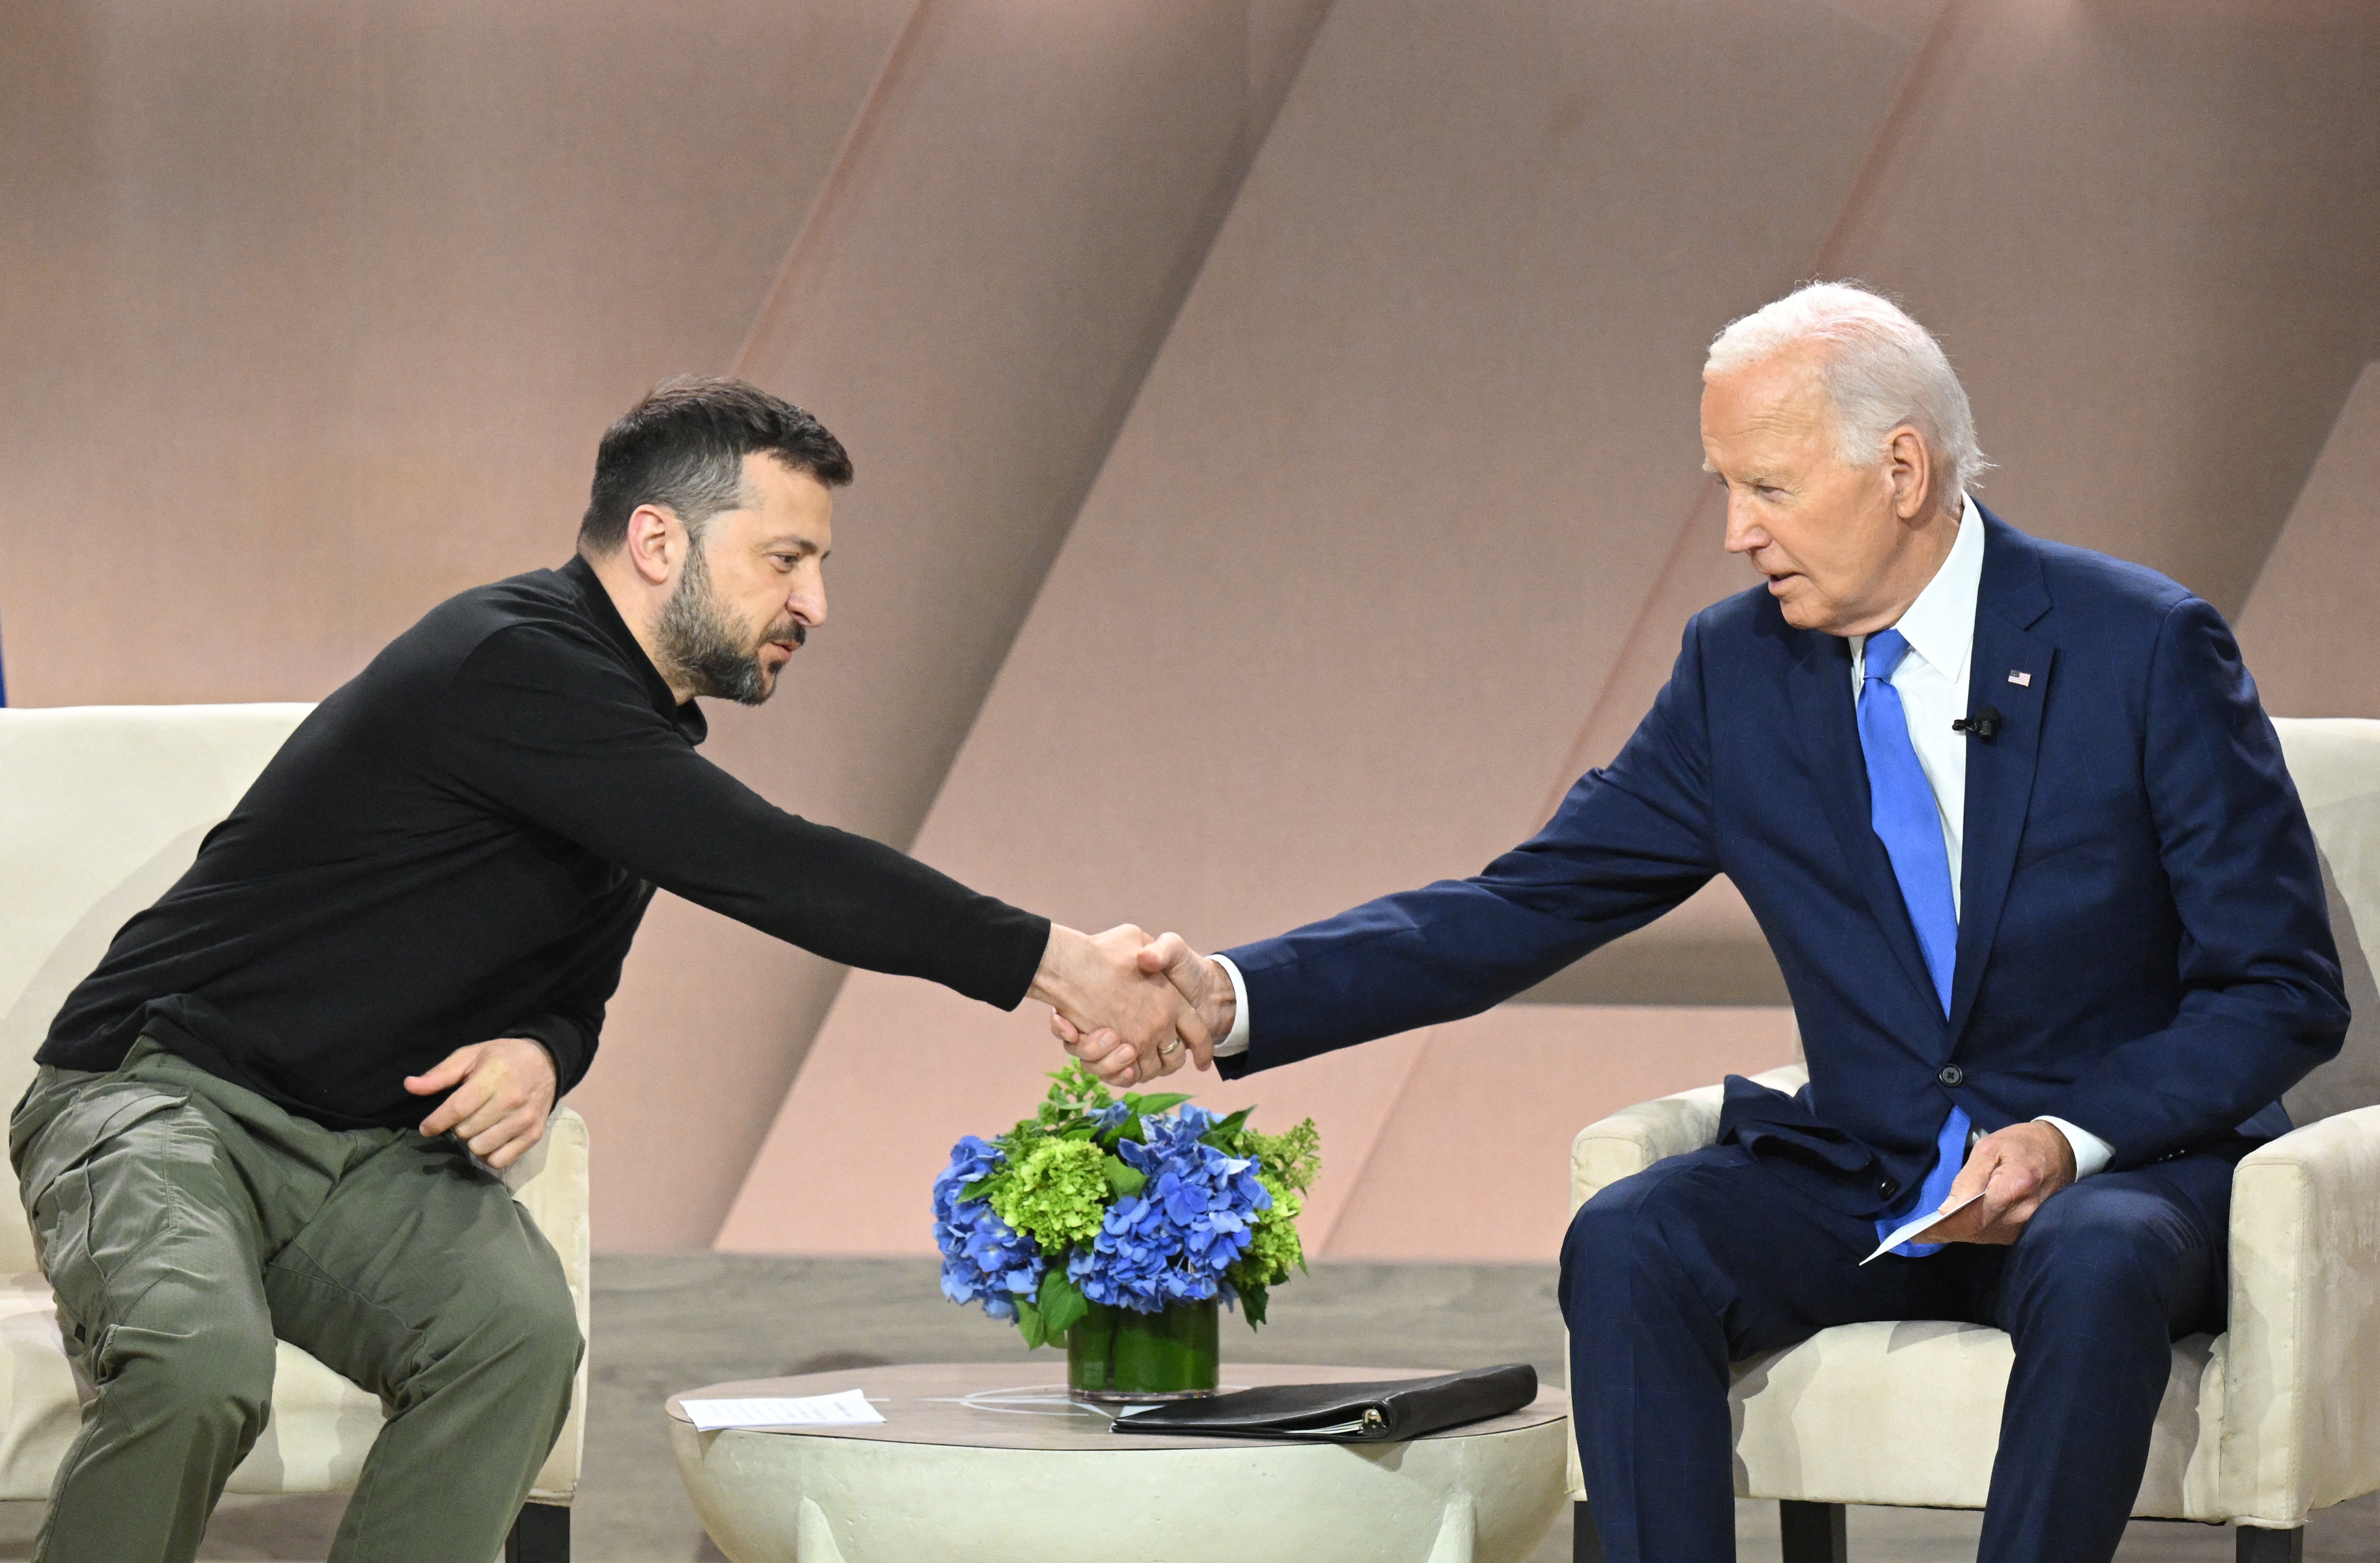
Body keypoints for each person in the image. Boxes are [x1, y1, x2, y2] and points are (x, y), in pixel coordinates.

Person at [1061, 284, 2348, 1563]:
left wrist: (2067, 1140)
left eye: (1770, 488)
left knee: (2103, 1256)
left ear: (1902, 469)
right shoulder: (1740, 671)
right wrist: (1233, 993)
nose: (1736, 532)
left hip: (2112, 1174)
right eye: (1724, 487)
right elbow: (1526, 903)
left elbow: (2280, 987)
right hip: (1877, 1175)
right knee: (1634, 1237)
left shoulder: (2141, 648)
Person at [15, 377, 1186, 1563]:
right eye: (786, 559)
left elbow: (578, 988)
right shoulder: (513, 663)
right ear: (658, 539)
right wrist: (1058, 963)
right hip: (159, 1096)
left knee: (513, 1338)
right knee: (197, 1364)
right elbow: (770, 865)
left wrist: (545, 1049)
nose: (816, 604)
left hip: (352, 1150)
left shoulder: (634, 734)